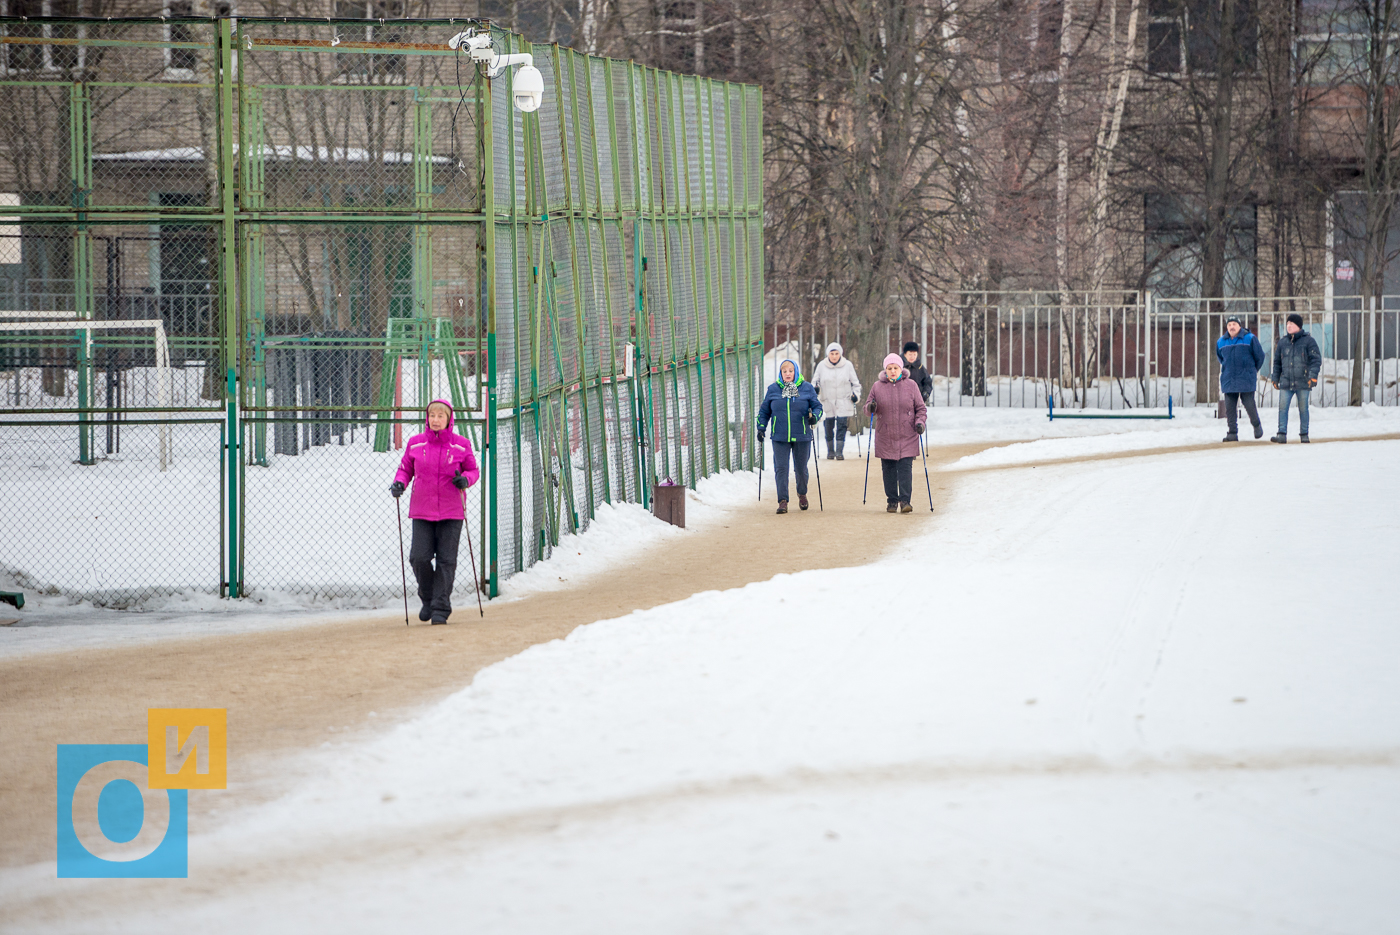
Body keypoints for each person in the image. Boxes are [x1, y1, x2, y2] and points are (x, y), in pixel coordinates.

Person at [390, 399, 479, 624]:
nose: (436, 420)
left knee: (446, 561)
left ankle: (441, 607)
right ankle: (428, 598)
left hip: (452, 510)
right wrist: (399, 483)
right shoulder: (416, 444)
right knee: (418, 558)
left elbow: (472, 470)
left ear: (449, 419)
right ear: (427, 419)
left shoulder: (461, 445)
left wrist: (465, 479)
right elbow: (405, 469)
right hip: (422, 510)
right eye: (432, 416)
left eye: (441, 416)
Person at [757, 359, 823, 514]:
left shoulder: (806, 388)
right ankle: (782, 500)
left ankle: (802, 493)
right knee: (781, 468)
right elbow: (764, 411)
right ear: (780, 373)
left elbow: (817, 407)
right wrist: (761, 427)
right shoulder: (773, 389)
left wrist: (814, 417)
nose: (787, 374)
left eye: (790, 371)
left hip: (802, 435)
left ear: (796, 372)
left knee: (801, 469)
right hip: (779, 436)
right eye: (784, 371)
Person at [865, 353, 928, 514]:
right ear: (885, 370)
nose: (893, 371)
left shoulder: (911, 385)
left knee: (905, 469)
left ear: (901, 369)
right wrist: (871, 407)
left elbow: (920, 408)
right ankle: (892, 501)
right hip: (886, 435)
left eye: (895, 368)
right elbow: (867, 408)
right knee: (889, 470)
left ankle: (905, 501)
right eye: (889, 368)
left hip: (908, 434)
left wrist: (920, 423)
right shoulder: (877, 386)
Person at [1270, 313, 1322, 444]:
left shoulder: (1309, 341)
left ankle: (1304, 434)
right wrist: (1275, 378)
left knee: (1303, 408)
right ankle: (1281, 434)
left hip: (1303, 381)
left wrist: (1313, 376)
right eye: (1287, 324)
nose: (1288, 326)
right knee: (1282, 408)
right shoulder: (1282, 342)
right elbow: (1277, 363)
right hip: (1286, 381)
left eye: (1291, 324)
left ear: (1298, 326)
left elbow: (1315, 360)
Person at [1216, 315, 1265, 442]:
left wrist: (1252, 370)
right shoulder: (1221, 342)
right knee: (1230, 408)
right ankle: (1232, 432)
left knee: (1249, 405)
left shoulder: (1250, 338)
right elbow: (1221, 358)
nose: (1232, 327)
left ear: (1240, 326)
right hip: (1229, 379)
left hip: (1246, 379)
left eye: (1234, 324)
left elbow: (1260, 356)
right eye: (1229, 325)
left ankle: (1256, 425)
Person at [812, 342, 861, 460]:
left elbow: (856, 384)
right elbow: (814, 382)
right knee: (828, 426)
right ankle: (830, 451)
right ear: (828, 354)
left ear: (840, 354)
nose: (834, 356)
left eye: (836, 353)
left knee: (842, 426)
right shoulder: (821, 366)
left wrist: (856, 395)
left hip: (843, 400)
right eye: (832, 353)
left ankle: (839, 451)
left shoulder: (848, 365)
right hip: (827, 400)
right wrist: (816, 389)